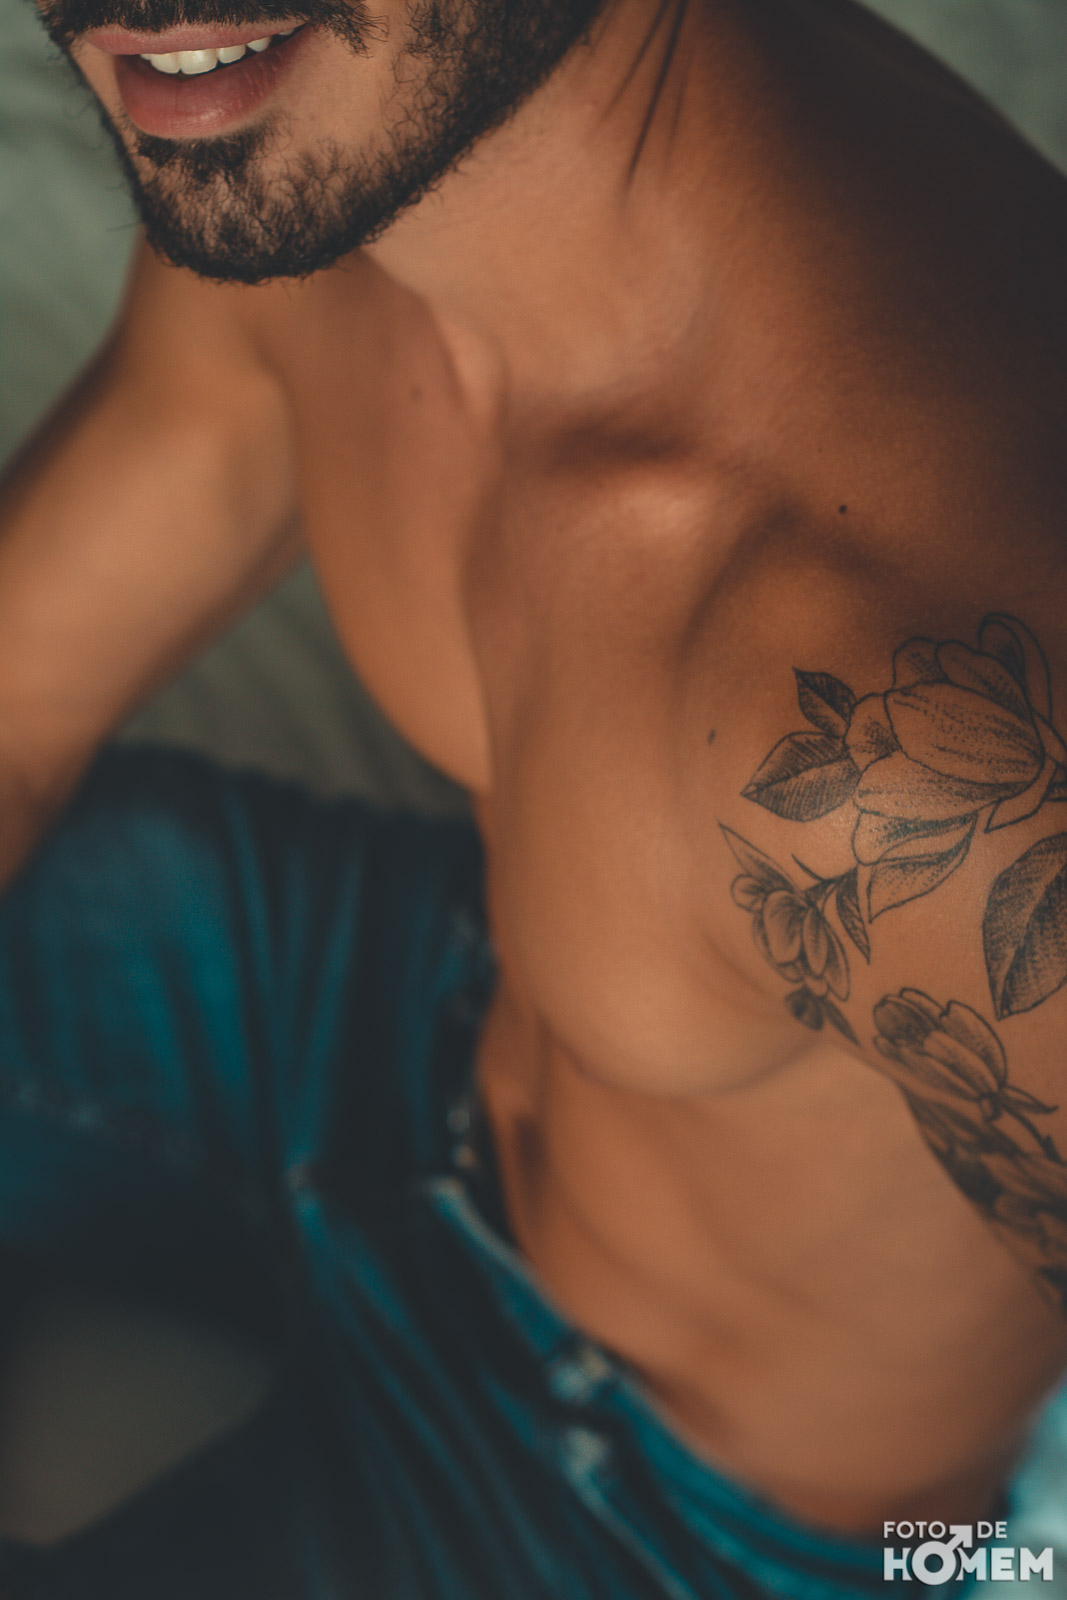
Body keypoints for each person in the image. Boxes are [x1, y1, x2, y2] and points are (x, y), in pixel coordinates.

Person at [1, 0, 1066, 1592]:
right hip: (408, 1029)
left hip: (685, 1520)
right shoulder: (308, 159)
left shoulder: (930, 711)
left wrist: (972, 1567)